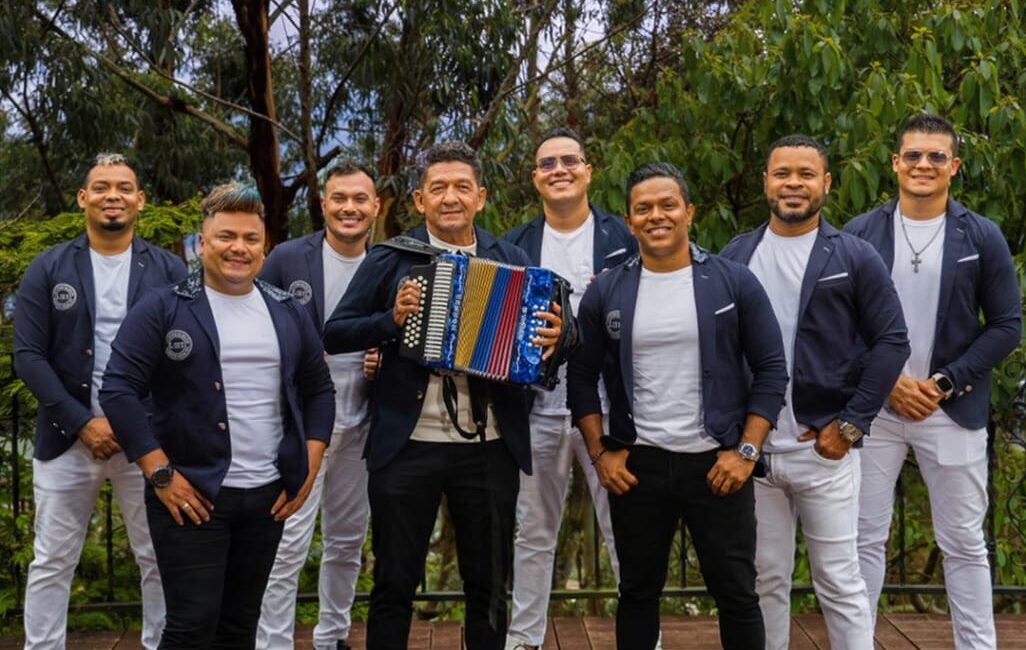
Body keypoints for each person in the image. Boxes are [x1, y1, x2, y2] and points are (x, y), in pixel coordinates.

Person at [322, 141, 564, 650]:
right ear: (419, 199)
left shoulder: (511, 259)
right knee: (394, 582)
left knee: (489, 586)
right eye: (438, 188)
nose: (450, 197)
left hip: (490, 446)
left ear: (480, 197)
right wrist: (391, 320)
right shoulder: (393, 257)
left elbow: (559, 338)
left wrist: (559, 336)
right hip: (407, 445)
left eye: (461, 187)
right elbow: (336, 331)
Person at [99, 183, 335, 648]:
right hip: (191, 493)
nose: (238, 248)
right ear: (202, 243)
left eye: (250, 238)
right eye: (227, 236)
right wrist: (160, 472)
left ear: (264, 246)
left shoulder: (286, 309)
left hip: (267, 496)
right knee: (190, 627)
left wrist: (309, 465)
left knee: (239, 627)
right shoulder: (163, 307)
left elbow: (319, 390)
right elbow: (118, 390)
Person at [568, 161, 788, 649]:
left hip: (718, 464)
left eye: (668, 205)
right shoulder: (607, 290)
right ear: (629, 222)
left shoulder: (733, 282)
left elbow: (772, 370)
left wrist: (746, 452)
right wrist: (600, 454)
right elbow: (581, 379)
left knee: (737, 595)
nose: (656, 216)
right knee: (637, 594)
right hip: (637, 467)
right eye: (643, 208)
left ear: (689, 211)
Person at [720, 135, 910, 650]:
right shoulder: (736, 255)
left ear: (825, 183)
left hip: (823, 450)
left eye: (806, 174)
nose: (794, 184)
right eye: (783, 173)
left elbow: (893, 341)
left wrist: (850, 425)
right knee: (765, 582)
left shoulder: (854, 255)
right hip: (754, 454)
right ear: (766, 182)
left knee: (840, 582)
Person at [845, 114, 1022, 649]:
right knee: (861, 540)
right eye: (914, 155)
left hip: (952, 410)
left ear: (954, 166)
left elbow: (1007, 325)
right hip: (875, 411)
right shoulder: (859, 233)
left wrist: (946, 382)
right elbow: (837, 323)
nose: (924, 164)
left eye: (936, 156)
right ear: (895, 163)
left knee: (965, 543)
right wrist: (886, 382)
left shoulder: (981, 236)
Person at [14, 153, 185, 650]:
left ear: (140, 200)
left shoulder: (170, 269)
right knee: (52, 559)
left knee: (158, 556)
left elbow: (183, 353)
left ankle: (160, 644)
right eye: (103, 187)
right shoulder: (48, 268)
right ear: (83, 198)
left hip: (146, 441)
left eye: (124, 187)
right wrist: (82, 422)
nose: (114, 196)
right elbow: (28, 356)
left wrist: (138, 427)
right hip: (67, 439)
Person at [501, 127, 635, 650]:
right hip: (536, 406)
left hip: (607, 407)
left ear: (588, 170)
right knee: (533, 530)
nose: (559, 170)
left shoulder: (623, 237)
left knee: (622, 526)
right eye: (547, 164)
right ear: (536, 178)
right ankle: (523, 639)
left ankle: (641, 636)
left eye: (569, 161)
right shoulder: (513, 245)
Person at [256, 160, 379, 650]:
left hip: (364, 422)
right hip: (301, 424)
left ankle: (332, 637)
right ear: (323, 203)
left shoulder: (388, 263)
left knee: (347, 541)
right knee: (287, 541)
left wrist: (385, 357)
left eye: (360, 199)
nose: (350, 208)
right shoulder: (287, 259)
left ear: (375, 206)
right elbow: (253, 321)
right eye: (340, 198)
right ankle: (272, 642)